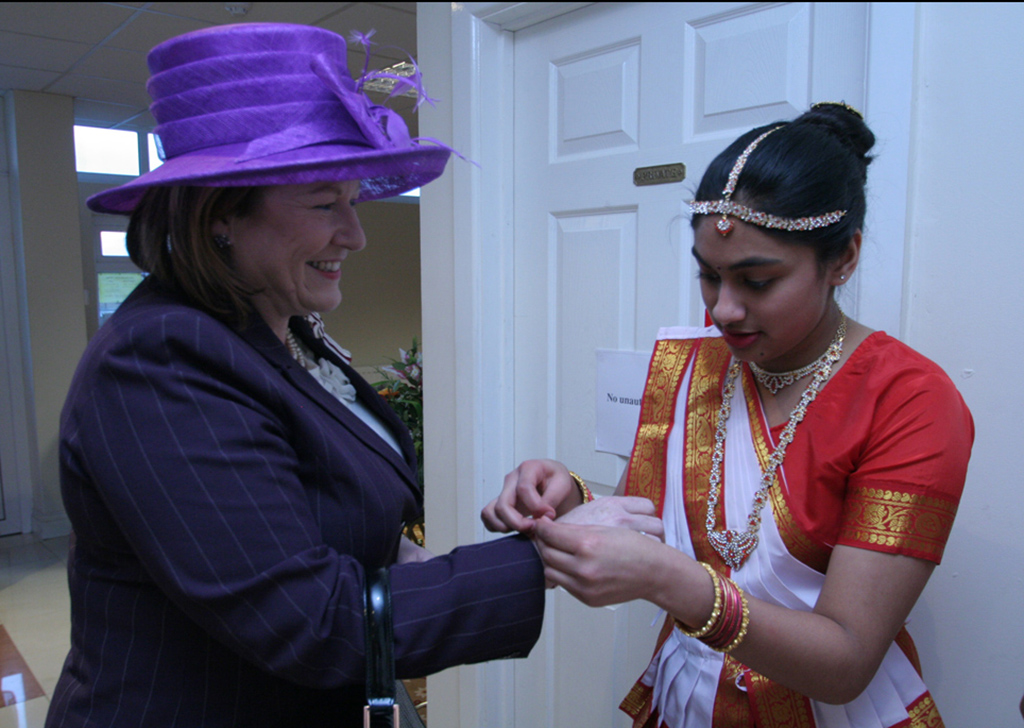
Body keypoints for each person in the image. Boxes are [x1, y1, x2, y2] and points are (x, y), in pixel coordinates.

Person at [47, 23, 659, 728]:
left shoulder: (284, 331)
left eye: (354, 198)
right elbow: (307, 622)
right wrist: (548, 557)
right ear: (220, 218)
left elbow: (330, 528)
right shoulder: (160, 361)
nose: (356, 233)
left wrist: (509, 530)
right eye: (323, 204)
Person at [483, 103, 974, 727]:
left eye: (758, 281)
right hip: (687, 702)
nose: (725, 310)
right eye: (709, 277)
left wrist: (675, 585)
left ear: (844, 258)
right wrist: (568, 497)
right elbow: (657, 524)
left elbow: (847, 661)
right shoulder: (694, 366)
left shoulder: (908, 400)